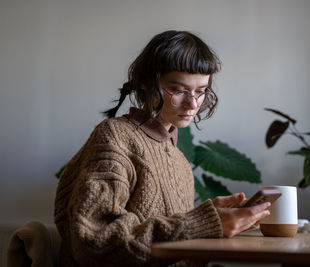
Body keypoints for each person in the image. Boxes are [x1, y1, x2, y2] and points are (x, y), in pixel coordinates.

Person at [54, 30, 271, 267]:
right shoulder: (115, 137)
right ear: (146, 83)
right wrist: (200, 224)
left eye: (201, 91)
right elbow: (95, 243)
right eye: (179, 90)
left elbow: (182, 252)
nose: (192, 104)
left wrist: (214, 222)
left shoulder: (178, 160)